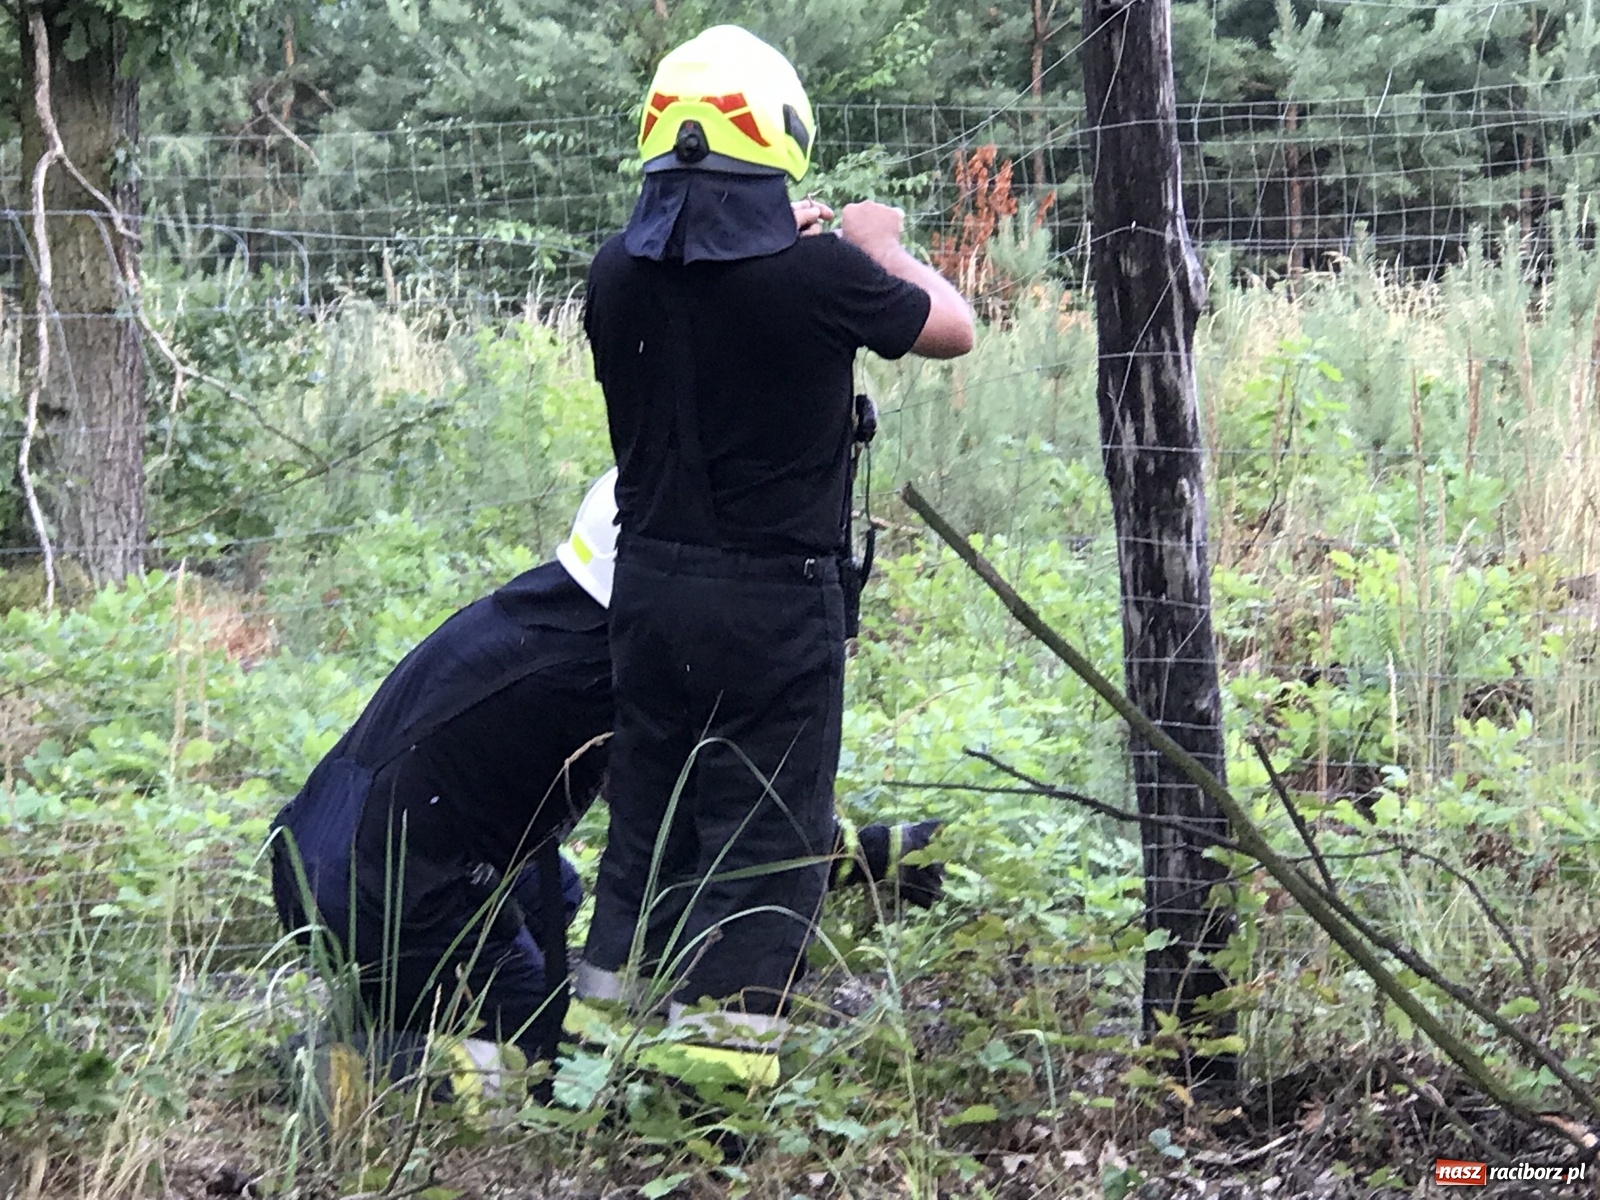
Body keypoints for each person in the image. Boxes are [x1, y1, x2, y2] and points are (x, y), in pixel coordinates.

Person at [268, 469, 943, 1078]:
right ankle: (353, 1070)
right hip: (385, 892)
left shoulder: (547, 613)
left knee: (555, 893)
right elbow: (709, 840)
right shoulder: (613, 677)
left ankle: (398, 1006)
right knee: (544, 1062)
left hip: (324, 856)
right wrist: (866, 856)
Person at [580, 26, 974, 1036]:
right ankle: (711, 1085)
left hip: (649, 593)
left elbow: (702, 281)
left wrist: (794, 251)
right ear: (780, 140)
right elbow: (950, 327)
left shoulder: (614, 273)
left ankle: (599, 1044)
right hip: (770, 605)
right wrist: (877, 245)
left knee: (650, 828)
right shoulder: (822, 275)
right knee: (765, 841)